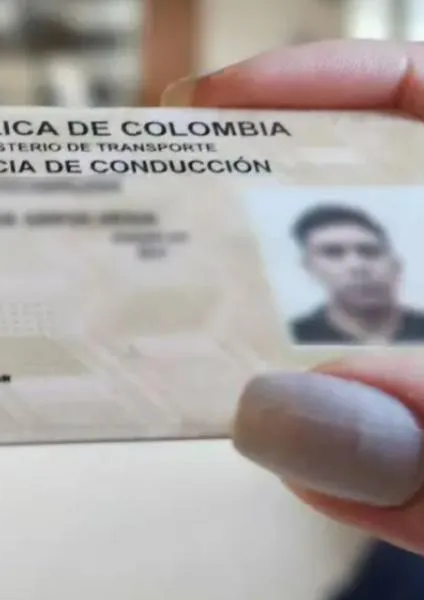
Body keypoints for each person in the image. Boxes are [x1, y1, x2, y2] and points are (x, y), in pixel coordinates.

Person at [162, 39, 424, 556]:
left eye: (368, 249)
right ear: (307, 265)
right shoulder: (279, 340)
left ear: (394, 258)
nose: (357, 264)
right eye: (335, 253)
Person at [289, 203, 424, 344]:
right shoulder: (294, 338)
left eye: (370, 252)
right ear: (309, 268)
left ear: (396, 265)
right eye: (334, 253)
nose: (358, 266)